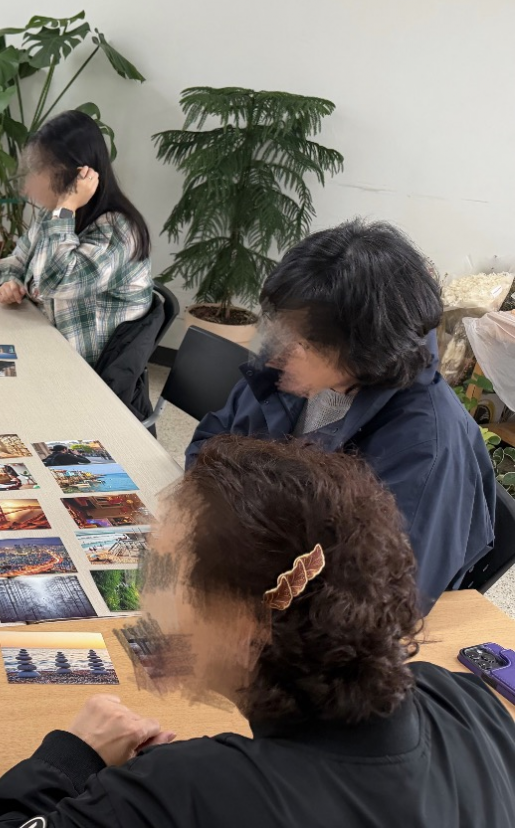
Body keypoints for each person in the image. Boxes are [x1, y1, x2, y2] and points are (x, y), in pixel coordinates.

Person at [0, 437, 515, 828]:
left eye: (170, 579)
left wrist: (73, 755)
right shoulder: (464, 697)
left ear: (246, 622)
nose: (152, 606)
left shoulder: (179, 792)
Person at [187, 220, 495, 610]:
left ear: (361, 351)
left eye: (300, 341)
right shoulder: (294, 361)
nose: (279, 352)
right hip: (245, 567)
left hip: (310, 618)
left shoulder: (428, 446)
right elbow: (211, 443)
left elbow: (381, 603)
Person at [0, 110, 152, 366]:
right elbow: (13, 261)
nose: (28, 187)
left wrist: (66, 208)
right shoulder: (53, 215)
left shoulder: (119, 232)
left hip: (81, 371)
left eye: (38, 171)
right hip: (43, 342)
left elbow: (56, 282)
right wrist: (9, 282)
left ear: (72, 176)